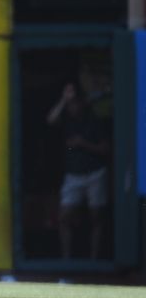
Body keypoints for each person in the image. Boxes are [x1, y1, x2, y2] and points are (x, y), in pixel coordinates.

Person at [46, 83, 110, 259]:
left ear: (82, 102)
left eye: (74, 102)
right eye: (69, 103)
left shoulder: (94, 120)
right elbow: (51, 120)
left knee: (96, 216)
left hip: (95, 173)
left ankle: (94, 259)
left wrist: (83, 144)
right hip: (73, 175)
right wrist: (63, 100)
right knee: (64, 216)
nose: (71, 106)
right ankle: (67, 259)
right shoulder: (66, 119)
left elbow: (106, 149)